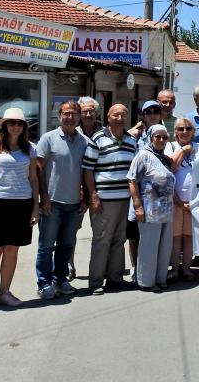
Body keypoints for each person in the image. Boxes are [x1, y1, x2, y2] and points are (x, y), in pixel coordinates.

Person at [0, 108, 40, 312]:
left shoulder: (30, 149)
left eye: (19, 123)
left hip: (21, 204)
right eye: (11, 123)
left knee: (12, 250)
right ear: (4, 125)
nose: (16, 126)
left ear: (24, 127)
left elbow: (33, 179)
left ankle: (5, 292)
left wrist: (35, 207)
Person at [35, 100, 89, 300]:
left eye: (74, 114)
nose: (70, 117)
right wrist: (44, 198)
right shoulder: (48, 139)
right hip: (52, 202)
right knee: (46, 246)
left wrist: (85, 198)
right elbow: (39, 170)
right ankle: (44, 283)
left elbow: (86, 173)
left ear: (79, 116)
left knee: (66, 245)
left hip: (74, 204)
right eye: (66, 113)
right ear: (59, 116)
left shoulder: (84, 141)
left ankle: (61, 279)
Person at [83, 104, 137, 295]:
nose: (120, 118)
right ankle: (95, 281)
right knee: (102, 240)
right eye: (116, 115)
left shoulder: (132, 140)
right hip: (103, 200)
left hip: (125, 199)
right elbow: (88, 170)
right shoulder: (97, 138)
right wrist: (93, 195)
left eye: (124, 114)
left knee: (119, 240)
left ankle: (115, 278)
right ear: (108, 117)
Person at [128, 125, 175, 291]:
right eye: (157, 137)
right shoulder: (143, 155)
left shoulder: (165, 158)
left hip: (166, 211)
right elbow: (132, 180)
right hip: (149, 211)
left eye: (164, 137)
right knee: (149, 246)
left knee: (164, 246)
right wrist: (137, 205)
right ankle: (145, 282)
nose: (161, 140)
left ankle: (160, 278)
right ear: (150, 137)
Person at [125, 100, 164, 279]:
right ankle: (135, 267)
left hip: (158, 198)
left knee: (154, 236)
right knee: (134, 234)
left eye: (156, 111)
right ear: (143, 115)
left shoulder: (164, 135)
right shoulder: (135, 136)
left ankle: (151, 267)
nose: (152, 114)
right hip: (137, 193)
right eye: (148, 112)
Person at [70, 96, 100, 280]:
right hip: (75, 189)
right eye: (84, 111)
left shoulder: (105, 132)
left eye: (91, 111)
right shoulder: (73, 133)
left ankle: (98, 268)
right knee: (71, 230)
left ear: (96, 113)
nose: (88, 114)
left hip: (99, 189)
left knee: (100, 231)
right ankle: (69, 265)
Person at [168, 118, 197, 281]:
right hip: (175, 201)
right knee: (175, 237)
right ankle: (174, 269)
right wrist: (184, 150)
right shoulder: (170, 146)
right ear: (175, 132)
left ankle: (186, 269)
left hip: (194, 203)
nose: (184, 131)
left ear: (193, 131)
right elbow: (170, 167)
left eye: (188, 128)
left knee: (189, 236)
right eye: (180, 129)